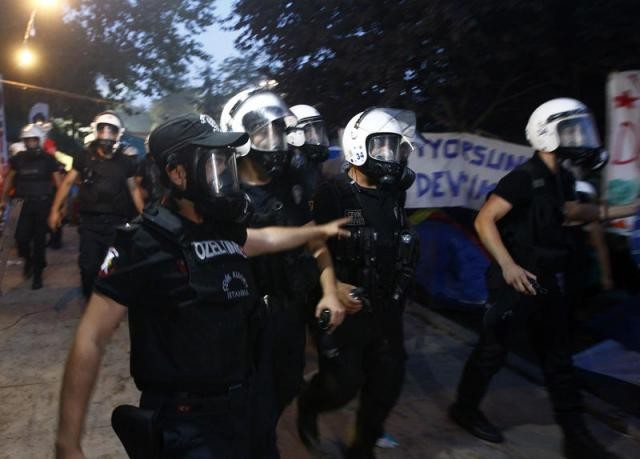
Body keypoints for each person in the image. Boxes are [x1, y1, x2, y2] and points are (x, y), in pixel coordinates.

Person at [55, 112, 350, 459]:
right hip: (187, 425)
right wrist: (68, 443)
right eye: (214, 162)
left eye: (226, 161)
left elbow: (264, 238)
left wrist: (314, 232)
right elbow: (91, 337)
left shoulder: (221, 227)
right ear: (178, 173)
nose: (225, 172)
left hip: (245, 408)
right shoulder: (144, 241)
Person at [448, 98, 634, 459]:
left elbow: (572, 212)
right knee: (492, 352)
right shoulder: (522, 177)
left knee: (559, 361)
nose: (579, 137)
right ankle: (464, 409)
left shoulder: (562, 177)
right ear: (546, 134)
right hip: (513, 282)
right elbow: (484, 220)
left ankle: (576, 438)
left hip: (548, 281)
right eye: (570, 129)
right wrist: (508, 265)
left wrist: (629, 207)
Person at [221, 89, 345, 456]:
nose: (273, 144)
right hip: (241, 317)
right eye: (263, 133)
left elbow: (315, 241)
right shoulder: (223, 194)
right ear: (242, 137)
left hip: (288, 310)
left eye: (278, 132)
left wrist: (330, 289)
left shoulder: (290, 185)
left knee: (287, 385)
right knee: (248, 398)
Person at [296, 107, 420, 459]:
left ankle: (361, 448)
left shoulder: (394, 193)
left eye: (393, 147)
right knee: (342, 385)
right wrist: (332, 287)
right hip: (346, 308)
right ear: (357, 145)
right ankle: (309, 403)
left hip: (387, 306)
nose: (388, 156)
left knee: (387, 382)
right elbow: (313, 240)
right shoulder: (334, 191)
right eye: (380, 146)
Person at [48, 111, 144, 298]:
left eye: (111, 130)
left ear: (118, 133)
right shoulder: (83, 157)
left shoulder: (125, 161)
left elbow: (133, 190)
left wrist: (145, 215)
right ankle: (89, 300)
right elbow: (67, 183)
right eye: (103, 129)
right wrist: (54, 209)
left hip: (116, 224)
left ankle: (107, 303)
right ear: (96, 131)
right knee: (88, 266)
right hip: (90, 223)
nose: (106, 134)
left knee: (111, 267)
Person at [0, 124, 63, 289]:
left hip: (42, 203)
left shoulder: (48, 159)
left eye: (34, 140)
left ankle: (37, 275)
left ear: (39, 140)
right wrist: (3, 198)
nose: (31, 143)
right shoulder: (18, 159)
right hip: (19, 203)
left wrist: (60, 205)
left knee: (40, 240)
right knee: (20, 239)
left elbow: (58, 182)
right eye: (28, 141)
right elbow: (9, 178)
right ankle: (28, 260)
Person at [285, 104, 331, 211]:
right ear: (293, 135)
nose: (315, 136)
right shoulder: (290, 170)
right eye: (308, 131)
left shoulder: (314, 163)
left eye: (318, 130)